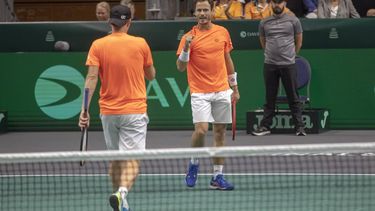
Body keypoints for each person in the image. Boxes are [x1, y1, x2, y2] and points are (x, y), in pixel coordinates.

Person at [78, 5, 156, 211]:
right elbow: (151, 75)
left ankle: (121, 201)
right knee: (133, 159)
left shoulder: (97, 45)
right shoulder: (141, 43)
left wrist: (84, 110)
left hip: (109, 112)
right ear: (129, 22)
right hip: (134, 111)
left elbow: (92, 78)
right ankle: (121, 193)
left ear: (110, 22)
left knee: (115, 159)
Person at [176, 0, 240, 190]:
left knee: (220, 133)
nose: (203, 13)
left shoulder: (222, 32)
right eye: (199, 10)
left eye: (206, 10)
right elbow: (180, 67)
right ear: (195, 14)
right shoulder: (188, 37)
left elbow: (227, 59)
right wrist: (187, 48)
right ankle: (194, 162)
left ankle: (217, 176)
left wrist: (234, 87)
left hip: (222, 90)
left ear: (212, 12)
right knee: (202, 130)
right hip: (200, 92)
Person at [252, 0, 306, 136]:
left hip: (288, 64)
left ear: (284, 4)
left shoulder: (293, 21)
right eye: (274, 3)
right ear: (271, 4)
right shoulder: (264, 22)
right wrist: (270, 54)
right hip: (270, 64)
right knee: (270, 97)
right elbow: (263, 41)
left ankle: (299, 127)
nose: (277, 5)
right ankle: (265, 127)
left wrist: (291, 55)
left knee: (293, 97)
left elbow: (298, 41)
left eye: (279, 2)